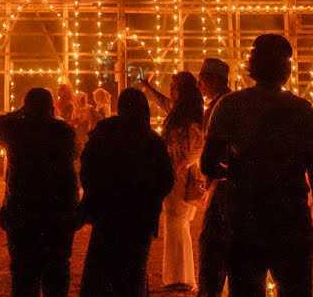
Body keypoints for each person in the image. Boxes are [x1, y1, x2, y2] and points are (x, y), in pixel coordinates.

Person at [201, 35, 313, 297]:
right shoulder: (303, 111)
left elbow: (208, 164)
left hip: (244, 219)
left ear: (252, 66)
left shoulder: (230, 106)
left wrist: (240, 172)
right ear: (286, 69)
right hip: (291, 219)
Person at [77, 88, 174, 297]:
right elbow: (166, 180)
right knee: (133, 273)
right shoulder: (152, 141)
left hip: (106, 215)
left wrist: (95, 195)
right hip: (140, 219)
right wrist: (150, 198)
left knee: (101, 272)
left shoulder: (104, 133)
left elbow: (87, 168)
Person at [0, 88, 79, 297]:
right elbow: (73, 161)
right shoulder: (63, 131)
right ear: (51, 107)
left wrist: (20, 112)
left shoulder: (15, 130)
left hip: (22, 215)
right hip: (56, 216)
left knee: (23, 278)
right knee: (56, 278)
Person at [159, 71, 206, 290]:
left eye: (174, 86)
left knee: (175, 221)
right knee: (176, 223)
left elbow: (200, 144)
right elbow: (163, 102)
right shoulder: (180, 113)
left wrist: (185, 163)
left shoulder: (189, 118)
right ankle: (180, 276)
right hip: (174, 171)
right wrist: (147, 87)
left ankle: (179, 277)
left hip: (179, 174)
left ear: (183, 90)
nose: (171, 90)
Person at [195, 56, 234, 297]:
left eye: (201, 80)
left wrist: (214, 173)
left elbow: (211, 157)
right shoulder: (229, 102)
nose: (199, 86)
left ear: (212, 80)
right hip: (232, 184)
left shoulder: (222, 106)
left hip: (224, 186)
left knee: (213, 249)